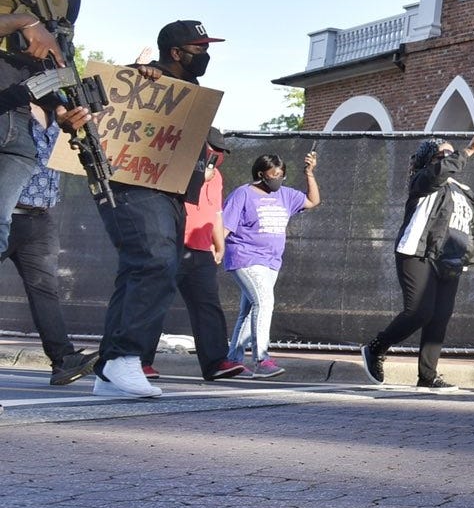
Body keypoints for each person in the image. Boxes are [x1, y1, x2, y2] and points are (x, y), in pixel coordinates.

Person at [92, 21, 225, 398]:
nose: (206, 55)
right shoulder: (150, 79)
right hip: (135, 188)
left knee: (139, 269)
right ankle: (125, 356)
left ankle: (109, 370)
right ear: (176, 52)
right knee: (156, 263)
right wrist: (136, 72)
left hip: (170, 192)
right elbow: (112, 100)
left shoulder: (191, 91)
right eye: (199, 49)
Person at [0, 0, 94, 386]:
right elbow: (29, 32)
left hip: (17, 116)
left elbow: (58, 57)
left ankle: (64, 359)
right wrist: (19, 22)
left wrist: (64, 105)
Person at [362, 130, 474, 390]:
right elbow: (439, 173)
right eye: (442, 154)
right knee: (419, 311)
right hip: (417, 252)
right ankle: (376, 348)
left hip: (449, 259)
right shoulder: (423, 180)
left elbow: (472, 226)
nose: (448, 157)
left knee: (440, 317)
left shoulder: (462, 190)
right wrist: (466, 151)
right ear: (428, 160)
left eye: (450, 153)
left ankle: (427, 376)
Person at [5, 117, 95, 384]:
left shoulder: (62, 118)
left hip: (39, 218)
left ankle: (63, 360)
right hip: (4, 214)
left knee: (45, 290)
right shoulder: (12, 113)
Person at [150, 129, 244, 382]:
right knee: (153, 302)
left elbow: (216, 211)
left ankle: (216, 362)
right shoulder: (178, 166)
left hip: (201, 249)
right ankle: (139, 360)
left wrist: (218, 241)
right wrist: (199, 177)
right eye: (214, 151)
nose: (218, 156)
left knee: (207, 305)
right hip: (172, 244)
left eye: (221, 152)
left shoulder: (218, 177)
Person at [222, 152, 320, 378]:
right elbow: (226, 225)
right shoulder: (243, 194)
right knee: (264, 302)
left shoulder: (286, 195)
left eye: (281, 176)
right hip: (245, 257)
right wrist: (215, 248)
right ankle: (262, 359)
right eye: (273, 175)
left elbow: (313, 201)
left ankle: (233, 361)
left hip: (271, 262)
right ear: (261, 174)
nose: (278, 180)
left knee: (248, 311)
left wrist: (309, 173)